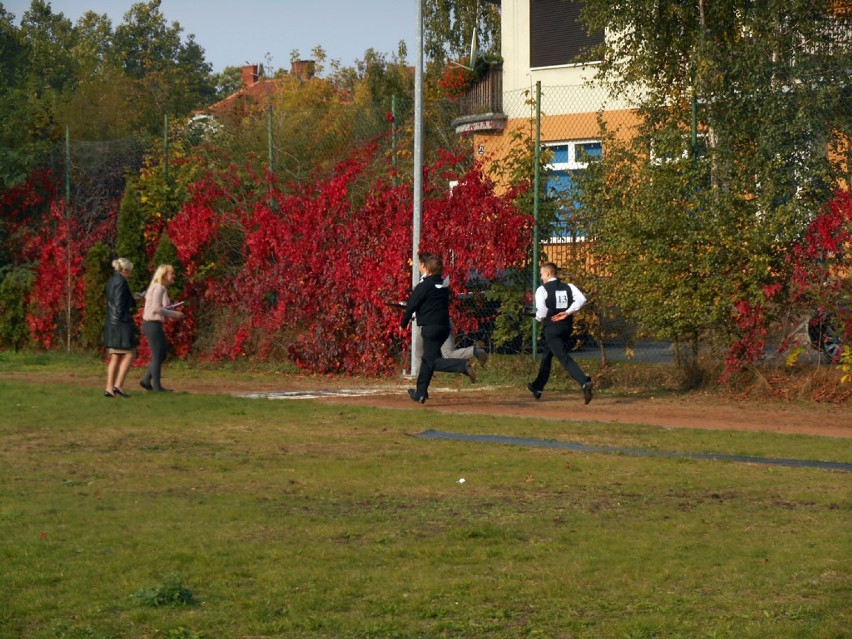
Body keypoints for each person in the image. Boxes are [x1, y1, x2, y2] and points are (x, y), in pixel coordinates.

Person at [401, 254, 475, 403]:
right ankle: (421, 393)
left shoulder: (424, 286)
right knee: (428, 359)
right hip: (444, 328)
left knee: (431, 361)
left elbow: (411, 306)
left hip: (431, 329)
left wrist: (403, 323)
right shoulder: (443, 285)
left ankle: (462, 366)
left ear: (427, 269)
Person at [413, 253, 489, 379]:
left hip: (430, 324)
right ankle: (474, 351)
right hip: (443, 322)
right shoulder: (439, 281)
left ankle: (424, 378)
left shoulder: (425, 282)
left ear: (426, 267)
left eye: (421, 264)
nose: (419, 267)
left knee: (424, 353)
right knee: (442, 354)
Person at [527, 262, 593, 404]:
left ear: (548, 274)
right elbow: (582, 299)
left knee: (563, 358)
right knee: (547, 355)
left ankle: (584, 382)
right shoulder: (568, 287)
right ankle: (537, 387)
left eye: (542, 274)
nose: (541, 277)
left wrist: (537, 317)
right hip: (566, 327)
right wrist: (568, 312)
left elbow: (542, 312)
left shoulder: (542, 290)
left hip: (552, 329)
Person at [140, 264, 184, 392]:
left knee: (162, 353)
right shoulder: (158, 288)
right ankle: (157, 387)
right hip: (152, 324)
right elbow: (157, 309)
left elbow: (165, 305)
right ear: (164, 275)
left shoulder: (160, 288)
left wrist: (165, 290)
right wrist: (175, 314)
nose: (174, 275)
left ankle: (146, 380)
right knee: (158, 354)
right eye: (172, 273)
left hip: (153, 324)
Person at [103, 258, 139, 398]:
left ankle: (109, 388)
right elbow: (119, 306)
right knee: (130, 354)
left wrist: (131, 298)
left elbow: (116, 300)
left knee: (115, 356)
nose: (130, 274)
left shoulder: (112, 280)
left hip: (111, 323)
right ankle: (118, 385)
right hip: (120, 324)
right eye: (129, 271)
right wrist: (127, 317)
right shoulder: (121, 282)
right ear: (125, 270)